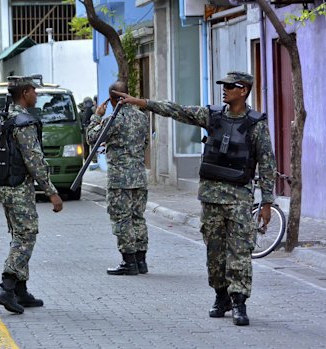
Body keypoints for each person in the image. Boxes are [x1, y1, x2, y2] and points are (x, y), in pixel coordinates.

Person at [114, 71, 276, 326]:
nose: (224, 90)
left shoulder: (256, 125)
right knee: (215, 253)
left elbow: (267, 164)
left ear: (244, 90)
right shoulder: (212, 116)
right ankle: (220, 296)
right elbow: (177, 110)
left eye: (230, 86)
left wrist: (267, 203)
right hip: (211, 198)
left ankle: (239, 302)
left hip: (239, 199)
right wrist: (143, 103)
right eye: (223, 86)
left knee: (240, 252)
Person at [0, 76, 63, 314]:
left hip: (3, 187)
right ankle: (6, 287)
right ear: (25, 93)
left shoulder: (2, 117)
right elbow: (34, 160)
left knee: (18, 233)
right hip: (19, 187)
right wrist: (52, 192)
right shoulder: (23, 122)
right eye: (34, 91)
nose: (37, 95)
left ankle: (21, 290)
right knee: (26, 236)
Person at [87, 81, 150, 276]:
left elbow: (92, 138)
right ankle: (141, 261)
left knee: (121, 219)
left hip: (120, 179)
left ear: (112, 99)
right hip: (139, 175)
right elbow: (145, 143)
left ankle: (128, 261)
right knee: (138, 218)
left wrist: (96, 117)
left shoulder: (113, 120)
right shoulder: (142, 118)